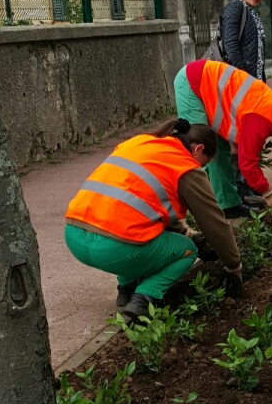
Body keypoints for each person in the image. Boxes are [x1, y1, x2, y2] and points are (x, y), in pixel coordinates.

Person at [64, 118, 243, 322]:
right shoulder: (185, 165)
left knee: (135, 226)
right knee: (187, 250)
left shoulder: (140, 143)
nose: (201, 169)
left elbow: (149, 205)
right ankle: (143, 300)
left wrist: (188, 232)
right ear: (198, 149)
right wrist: (233, 266)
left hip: (75, 235)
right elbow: (215, 223)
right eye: (204, 163)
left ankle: (126, 290)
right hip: (113, 249)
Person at [174, 57, 272, 217]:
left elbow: (238, 114)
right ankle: (197, 210)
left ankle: (228, 205)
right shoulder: (260, 120)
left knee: (217, 149)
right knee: (199, 149)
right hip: (192, 83)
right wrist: (268, 193)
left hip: (205, 80)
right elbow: (248, 164)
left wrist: (237, 146)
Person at [219, 0, 269, 78]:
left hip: (253, 80)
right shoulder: (235, 8)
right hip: (240, 82)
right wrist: (243, 79)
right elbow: (231, 47)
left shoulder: (251, 12)